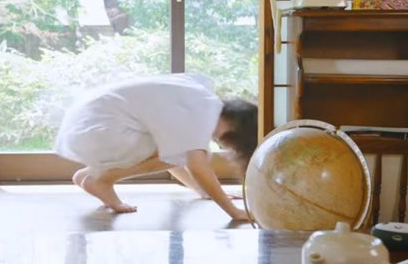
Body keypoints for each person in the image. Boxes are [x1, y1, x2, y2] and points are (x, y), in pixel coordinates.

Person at [54, 73, 259, 220]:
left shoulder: (199, 96)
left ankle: (91, 175)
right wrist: (235, 212)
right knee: (192, 153)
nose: (220, 140)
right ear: (234, 125)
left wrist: (202, 191)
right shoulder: (203, 112)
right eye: (228, 138)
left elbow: (171, 152)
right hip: (96, 132)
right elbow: (196, 166)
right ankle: (102, 180)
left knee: (181, 148)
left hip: (84, 128)